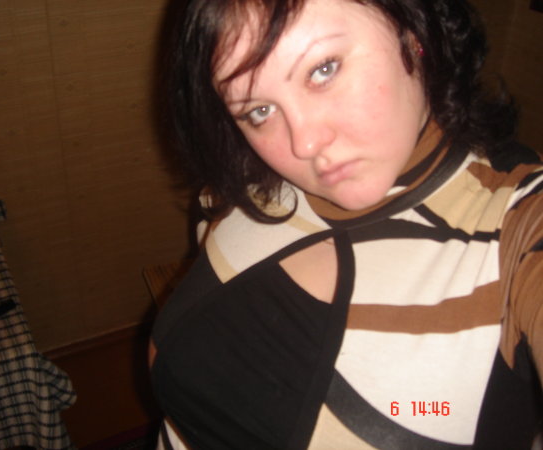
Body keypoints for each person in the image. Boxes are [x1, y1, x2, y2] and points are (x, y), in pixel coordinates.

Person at [149, 0, 543, 448]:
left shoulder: (520, 219)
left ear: (413, 29)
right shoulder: (243, 187)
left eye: (324, 69)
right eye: (258, 110)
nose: (304, 143)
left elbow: (430, 407)